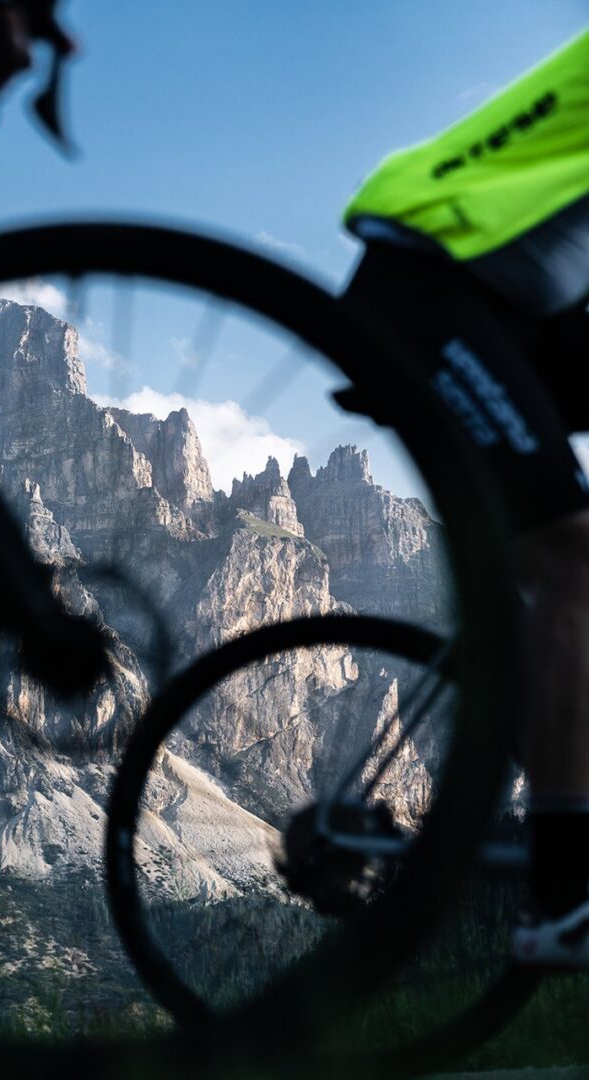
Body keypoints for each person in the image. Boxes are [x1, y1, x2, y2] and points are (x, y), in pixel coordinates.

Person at [339, 28, 589, 961]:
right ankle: (564, 893)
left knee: (562, 569)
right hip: (424, 294)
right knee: (572, 555)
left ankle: (551, 735)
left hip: (500, 312)